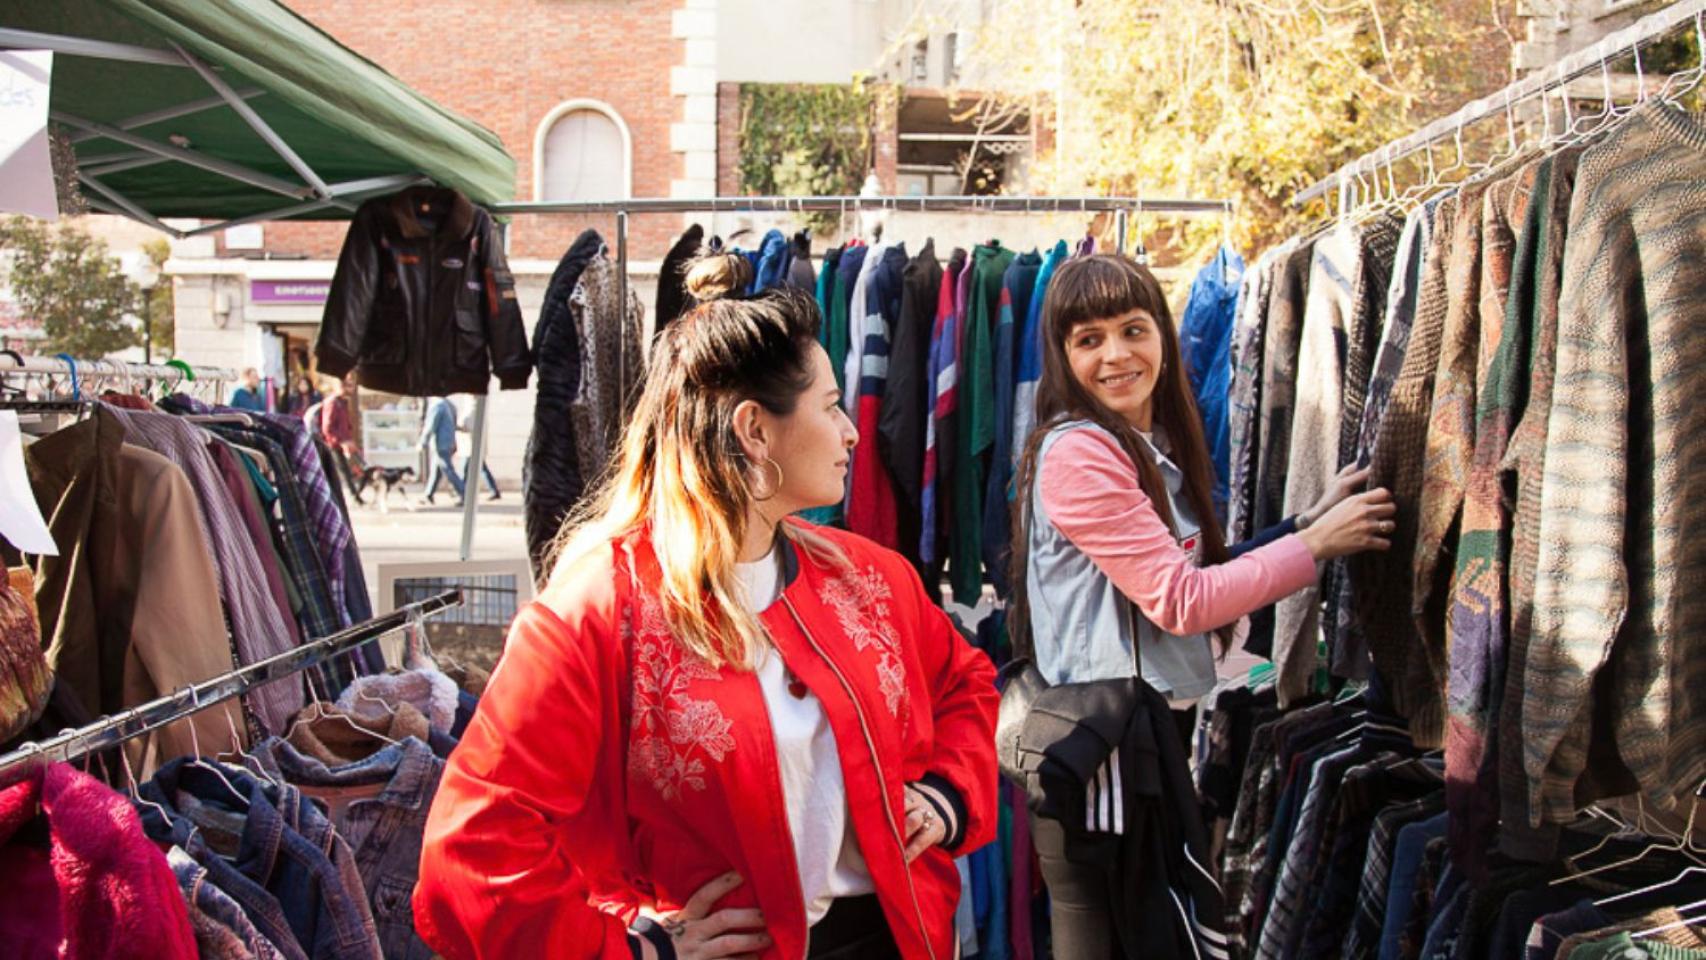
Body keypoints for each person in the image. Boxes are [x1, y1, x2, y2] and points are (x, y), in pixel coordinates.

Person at [415, 252, 1000, 960]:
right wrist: (632, 952)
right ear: (756, 430)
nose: (851, 432)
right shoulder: (599, 609)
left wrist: (948, 795)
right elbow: (471, 852)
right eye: (831, 405)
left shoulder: (868, 579)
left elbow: (966, 682)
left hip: (893, 937)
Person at [1010, 253, 1396, 959]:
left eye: (1133, 329)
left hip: (1132, 741)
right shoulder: (1080, 453)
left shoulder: (1144, 445)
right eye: (1088, 339)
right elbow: (1182, 599)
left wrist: (1308, 523)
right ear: (1063, 356)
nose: (1117, 355)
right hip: (1101, 754)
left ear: (1162, 332)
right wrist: (1316, 548)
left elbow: (1196, 566)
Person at [321, 374, 366, 500]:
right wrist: (340, 441)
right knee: (343, 471)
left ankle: (355, 495)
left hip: (344, 442)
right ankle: (353, 496)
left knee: (354, 469)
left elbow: (346, 424)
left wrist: (349, 439)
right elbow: (327, 428)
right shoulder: (332, 403)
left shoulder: (343, 402)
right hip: (334, 443)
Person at [418, 396, 465, 506]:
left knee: (448, 469)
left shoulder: (437, 406)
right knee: (436, 470)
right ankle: (428, 494)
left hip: (441, 443)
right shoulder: (449, 404)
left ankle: (464, 493)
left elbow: (430, 426)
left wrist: (422, 442)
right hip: (449, 441)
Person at [454, 397, 501, 501]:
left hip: (470, 446)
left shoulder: (472, 410)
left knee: (465, 470)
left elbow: (466, 426)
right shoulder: (478, 410)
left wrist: (457, 427)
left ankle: (462, 492)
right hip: (472, 445)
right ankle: (493, 490)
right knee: (482, 468)